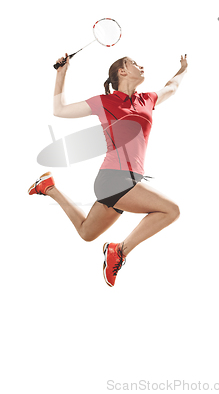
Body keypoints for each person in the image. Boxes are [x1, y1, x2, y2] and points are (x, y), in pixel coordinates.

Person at [28, 54, 188, 286]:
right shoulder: (104, 102)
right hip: (113, 180)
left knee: (86, 233)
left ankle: (48, 187)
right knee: (171, 211)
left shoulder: (147, 100)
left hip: (127, 183)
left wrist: (183, 68)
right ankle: (120, 251)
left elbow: (171, 88)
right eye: (133, 62)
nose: (140, 65)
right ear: (122, 71)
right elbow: (60, 109)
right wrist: (61, 73)